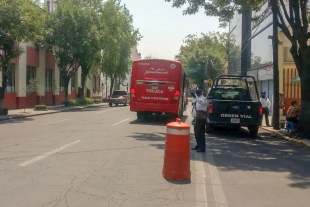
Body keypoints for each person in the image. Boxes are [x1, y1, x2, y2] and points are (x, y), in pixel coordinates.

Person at [192, 88, 208, 153]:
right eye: (196, 92)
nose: (197, 93)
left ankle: (202, 148)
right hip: (197, 118)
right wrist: (195, 98)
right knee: (196, 133)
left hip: (201, 119)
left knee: (201, 133)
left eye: (198, 92)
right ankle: (198, 145)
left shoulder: (203, 99)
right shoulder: (198, 98)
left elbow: (202, 102)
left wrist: (196, 97)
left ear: (201, 93)